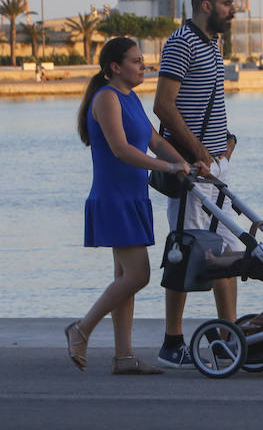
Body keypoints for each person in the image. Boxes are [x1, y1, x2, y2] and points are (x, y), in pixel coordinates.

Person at [66, 37, 206, 374]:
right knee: (138, 275)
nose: (143, 66)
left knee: (124, 278)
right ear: (115, 67)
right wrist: (169, 168)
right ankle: (81, 329)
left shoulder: (130, 98)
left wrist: (192, 162)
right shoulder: (106, 98)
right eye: (136, 61)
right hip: (114, 198)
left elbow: (155, 141)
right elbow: (121, 150)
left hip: (133, 198)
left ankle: (124, 357)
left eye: (143, 60)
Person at [152, 0, 239, 368]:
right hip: (191, 172)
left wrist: (226, 145)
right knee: (184, 252)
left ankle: (227, 337)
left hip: (214, 169)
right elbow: (164, 106)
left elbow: (207, 103)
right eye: (226, 3)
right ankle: (172, 341)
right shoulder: (181, 44)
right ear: (205, 6)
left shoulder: (213, 44)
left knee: (228, 254)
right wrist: (201, 153)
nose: (232, 9)